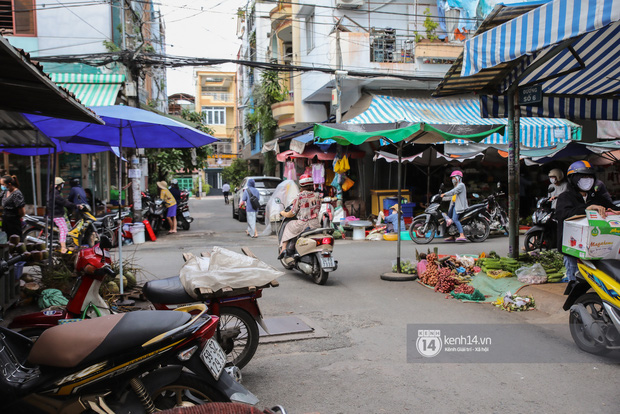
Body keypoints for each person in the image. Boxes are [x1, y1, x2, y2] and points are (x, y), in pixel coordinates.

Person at [556, 161, 620, 282]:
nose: (587, 180)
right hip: (573, 251)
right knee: (576, 281)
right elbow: (563, 215)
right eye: (583, 177)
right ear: (573, 179)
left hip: (596, 250)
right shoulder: (565, 197)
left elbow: (612, 208)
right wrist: (586, 209)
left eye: (590, 177)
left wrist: (616, 212)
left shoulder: (597, 198)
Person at [278, 175, 320, 259]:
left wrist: (283, 213)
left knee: (288, 225)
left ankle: (283, 249)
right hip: (315, 224)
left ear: (301, 185)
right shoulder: (317, 195)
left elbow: (292, 213)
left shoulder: (300, 196)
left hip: (303, 224)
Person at [48, 177, 83, 254]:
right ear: (58, 185)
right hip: (56, 215)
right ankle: (63, 248)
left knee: (65, 229)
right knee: (63, 230)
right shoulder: (55, 194)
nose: (62, 186)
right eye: (62, 185)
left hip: (57, 214)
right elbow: (64, 202)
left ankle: (64, 245)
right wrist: (76, 206)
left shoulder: (54, 193)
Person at [441, 170, 468, 242]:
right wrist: (441, 198)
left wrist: (445, 194)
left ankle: (462, 235)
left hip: (459, 206)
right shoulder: (456, 186)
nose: (452, 179)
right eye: (452, 178)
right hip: (454, 205)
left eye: (454, 178)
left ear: (458, 178)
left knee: (455, 219)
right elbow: (452, 197)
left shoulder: (461, 185)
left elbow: (452, 192)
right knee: (449, 219)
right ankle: (452, 236)